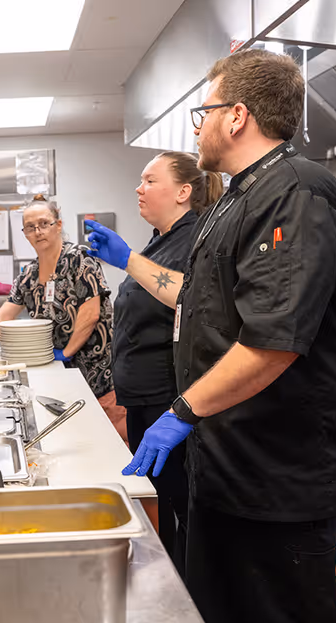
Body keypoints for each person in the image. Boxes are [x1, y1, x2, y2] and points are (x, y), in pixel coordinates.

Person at [85, 49, 336, 623]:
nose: (197, 124)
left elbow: (273, 342)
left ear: (236, 116)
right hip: (229, 461)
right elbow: (195, 299)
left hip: (280, 470)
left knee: (283, 621)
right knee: (223, 615)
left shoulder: (295, 192)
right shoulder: (238, 197)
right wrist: (130, 261)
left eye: (204, 109)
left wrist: (180, 411)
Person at [112, 151, 223, 574]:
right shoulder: (161, 239)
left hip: (167, 398)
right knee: (166, 502)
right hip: (143, 397)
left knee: (180, 506)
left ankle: (190, 595)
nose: (139, 188)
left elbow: (187, 299)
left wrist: (127, 261)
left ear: (183, 191)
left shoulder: (194, 239)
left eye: (149, 180)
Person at [0, 195, 125, 434]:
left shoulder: (81, 259)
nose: (38, 231)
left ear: (58, 225)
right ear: (24, 233)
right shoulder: (29, 275)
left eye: (44, 224)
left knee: (110, 447)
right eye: (30, 227)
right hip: (57, 381)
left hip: (98, 381)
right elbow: (3, 315)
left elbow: (90, 315)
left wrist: (66, 353)